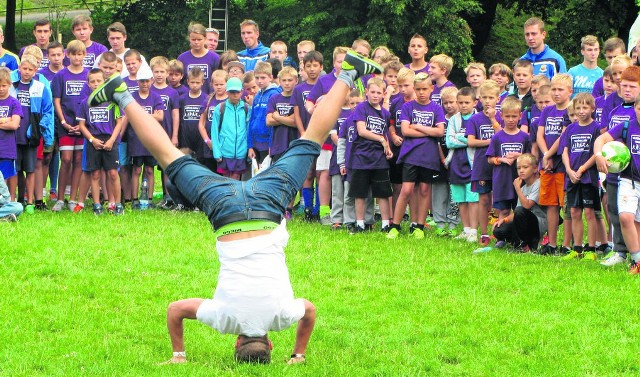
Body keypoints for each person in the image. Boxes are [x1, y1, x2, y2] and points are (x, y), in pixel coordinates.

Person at [88, 47, 380, 364]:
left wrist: (298, 354)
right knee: (168, 155)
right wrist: (178, 354)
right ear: (235, 343)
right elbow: (175, 310)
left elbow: (309, 311)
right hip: (225, 210)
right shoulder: (225, 319)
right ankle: (121, 93)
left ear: (269, 345)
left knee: (311, 139)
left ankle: (349, 71)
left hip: (268, 206)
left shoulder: (282, 316)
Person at [387, 73, 446, 239]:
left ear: (431, 89)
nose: (421, 92)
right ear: (414, 89)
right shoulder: (408, 107)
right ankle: (395, 226)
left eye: (425, 89)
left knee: (425, 189)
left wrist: (418, 126)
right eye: (418, 89)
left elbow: (440, 131)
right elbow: (405, 131)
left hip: (429, 155)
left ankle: (419, 226)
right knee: (406, 190)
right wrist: (429, 132)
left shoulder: (436, 108)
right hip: (410, 154)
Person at [598, 66, 640, 266]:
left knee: (634, 218)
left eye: (632, 86)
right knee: (616, 211)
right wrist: (603, 154)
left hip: (634, 175)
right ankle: (620, 252)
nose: (627, 90)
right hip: (619, 173)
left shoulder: (635, 112)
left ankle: (634, 255)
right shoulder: (615, 110)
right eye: (624, 86)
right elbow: (605, 136)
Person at [558, 93, 600, 259]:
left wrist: (582, 169)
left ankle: (591, 250)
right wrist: (569, 170)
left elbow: (597, 153)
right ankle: (577, 248)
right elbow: (565, 151)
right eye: (578, 108)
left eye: (585, 107)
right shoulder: (570, 129)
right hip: (572, 177)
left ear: (592, 108)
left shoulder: (596, 128)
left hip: (588, 176)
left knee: (589, 213)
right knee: (574, 212)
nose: (581, 111)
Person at [348, 77, 392, 234]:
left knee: (383, 193)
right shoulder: (361, 108)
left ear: (384, 94)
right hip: (361, 157)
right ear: (366, 92)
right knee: (360, 193)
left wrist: (387, 147)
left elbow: (384, 133)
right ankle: (360, 224)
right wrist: (381, 140)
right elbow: (362, 130)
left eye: (378, 93)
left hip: (379, 159)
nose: (375, 95)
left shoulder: (386, 114)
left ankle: (386, 224)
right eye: (372, 92)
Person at [10, 54, 54, 211]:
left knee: (30, 169)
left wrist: (42, 130)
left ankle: (30, 203)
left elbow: (48, 111)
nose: (27, 72)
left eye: (30, 69)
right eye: (24, 68)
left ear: (36, 71)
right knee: (15, 170)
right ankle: (15, 200)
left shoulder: (40, 87)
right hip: (13, 135)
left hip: (32, 135)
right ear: (19, 68)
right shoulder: (11, 86)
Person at [536, 73, 573, 255]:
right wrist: (545, 155)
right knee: (550, 204)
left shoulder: (570, 111)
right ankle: (551, 244)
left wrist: (549, 155)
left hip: (562, 164)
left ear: (570, 91)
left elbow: (563, 136)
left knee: (566, 206)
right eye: (554, 89)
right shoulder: (547, 111)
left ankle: (566, 245)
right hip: (547, 164)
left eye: (560, 90)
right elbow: (539, 135)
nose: (556, 93)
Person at [78, 68, 124, 215]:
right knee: (95, 174)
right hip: (94, 140)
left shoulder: (113, 101)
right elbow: (81, 125)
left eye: (99, 80)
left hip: (110, 140)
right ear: (88, 83)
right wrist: (92, 140)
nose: (96, 84)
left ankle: (117, 204)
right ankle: (97, 205)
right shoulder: (85, 103)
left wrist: (112, 140)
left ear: (104, 82)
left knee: (112, 173)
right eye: (93, 81)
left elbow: (119, 123)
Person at [51, 40, 89, 212]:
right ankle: (60, 199)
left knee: (79, 160)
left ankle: (73, 198)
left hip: (83, 126)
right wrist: (64, 122)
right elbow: (57, 101)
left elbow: (92, 101)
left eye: (79, 54)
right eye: (73, 54)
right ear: (68, 55)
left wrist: (83, 124)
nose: (76, 57)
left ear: (84, 55)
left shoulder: (88, 75)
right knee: (65, 160)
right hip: (65, 124)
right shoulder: (61, 76)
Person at [486, 97, 531, 238]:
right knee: (504, 210)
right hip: (502, 180)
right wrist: (501, 159)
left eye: (514, 116)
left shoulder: (525, 137)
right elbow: (490, 159)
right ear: (501, 116)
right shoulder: (497, 137)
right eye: (507, 116)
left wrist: (520, 155)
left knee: (519, 210)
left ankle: (519, 237)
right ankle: (501, 236)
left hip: (520, 180)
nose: (511, 120)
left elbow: (531, 158)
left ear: (520, 116)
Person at [466, 80, 503, 246]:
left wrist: (494, 119)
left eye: (491, 97)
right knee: (483, 200)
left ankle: (499, 232)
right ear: (479, 99)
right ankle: (484, 233)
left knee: (499, 199)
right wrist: (490, 142)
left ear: (498, 99)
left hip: (499, 165)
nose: (488, 101)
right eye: (485, 97)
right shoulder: (475, 119)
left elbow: (503, 136)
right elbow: (471, 142)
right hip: (481, 165)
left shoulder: (503, 117)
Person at [492, 153, 547, 251]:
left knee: (520, 211)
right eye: (518, 168)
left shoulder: (539, 183)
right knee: (499, 230)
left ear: (535, 169)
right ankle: (518, 243)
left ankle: (524, 246)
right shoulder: (524, 187)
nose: (521, 171)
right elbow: (516, 213)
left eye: (525, 167)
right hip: (524, 221)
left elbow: (526, 206)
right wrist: (503, 220)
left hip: (538, 223)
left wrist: (517, 188)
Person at [128, 64, 163, 208]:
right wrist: (150, 115)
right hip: (135, 138)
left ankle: (149, 199)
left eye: (147, 81)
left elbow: (160, 116)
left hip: (150, 137)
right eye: (141, 81)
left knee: (149, 169)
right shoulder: (132, 97)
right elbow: (128, 115)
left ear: (151, 81)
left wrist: (141, 115)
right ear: (137, 82)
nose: (144, 84)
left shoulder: (155, 97)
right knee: (136, 169)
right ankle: (134, 199)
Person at [446, 86, 479, 242]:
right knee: (461, 199)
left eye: (467, 102)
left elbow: (478, 142)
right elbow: (449, 142)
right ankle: (465, 229)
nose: (463, 105)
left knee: (472, 199)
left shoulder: (478, 119)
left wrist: (463, 139)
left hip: (473, 165)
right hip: (456, 164)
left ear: (474, 103)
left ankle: (473, 230)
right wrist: (469, 141)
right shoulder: (453, 119)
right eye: (460, 102)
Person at [211, 77, 250, 180]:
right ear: (227, 92)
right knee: (226, 179)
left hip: (241, 152)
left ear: (242, 92)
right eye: (232, 92)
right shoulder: (220, 108)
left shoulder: (246, 108)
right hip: (225, 151)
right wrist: (217, 152)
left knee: (236, 178)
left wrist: (248, 148)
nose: (235, 95)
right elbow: (214, 132)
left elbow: (248, 130)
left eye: (237, 92)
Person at [247, 61, 281, 165]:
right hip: (256, 144)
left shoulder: (274, 94)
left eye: (263, 78)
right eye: (257, 78)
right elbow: (252, 120)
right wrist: (250, 146)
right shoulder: (257, 96)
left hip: (268, 144)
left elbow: (273, 123)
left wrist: (272, 145)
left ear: (270, 77)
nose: (259, 81)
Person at [198, 69, 229, 174]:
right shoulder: (208, 100)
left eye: (222, 84)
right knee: (210, 174)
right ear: (211, 84)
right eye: (216, 84)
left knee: (223, 174)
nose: (219, 87)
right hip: (209, 145)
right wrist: (207, 141)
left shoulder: (230, 100)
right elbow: (201, 124)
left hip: (225, 144)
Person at [0, 67, 23, 201]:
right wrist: (5, 119)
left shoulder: (14, 103)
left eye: (3, 85)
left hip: (7, 148)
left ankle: (8, 203)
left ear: (9, 85)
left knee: (5, 178)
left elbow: (15, 125)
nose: (1, 89)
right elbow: (11, 121)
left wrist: (9, 121)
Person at [177, 23, 220, 94]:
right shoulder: (182, 58)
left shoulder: (215, 58)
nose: (196, 42)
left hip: (208, 99)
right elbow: (178, 82)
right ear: (189, 39)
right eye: (193, 39)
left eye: (199, 39)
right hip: (187, 101)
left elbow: (219, 81)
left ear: (205, 39)